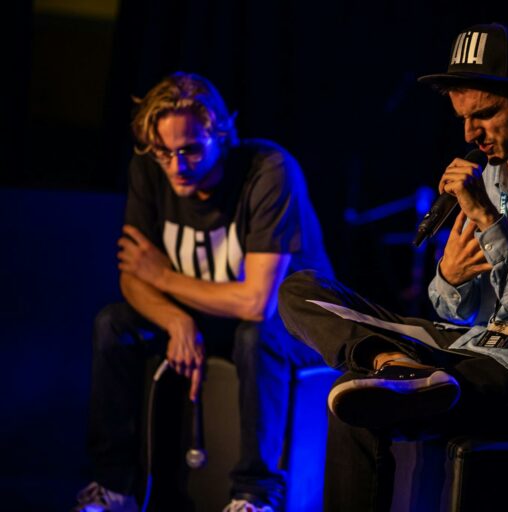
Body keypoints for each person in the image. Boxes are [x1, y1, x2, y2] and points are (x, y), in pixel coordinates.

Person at [277, 22, 508, 511]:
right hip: (477, 348)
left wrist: (489, 220)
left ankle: (403, 377)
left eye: (486, 115)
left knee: (354, 399)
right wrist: (448, 276)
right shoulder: (489, 174)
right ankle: (394, 364)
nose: (471, 134)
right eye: (463, 118)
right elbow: (458, 309)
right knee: (301, 289)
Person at [73, 72, 333, 512]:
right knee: (113, 325)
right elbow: (132, 277)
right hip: (208, 315)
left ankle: (254, 495)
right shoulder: (149, 170)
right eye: (163, 151)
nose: (176, 166)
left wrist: (165, 278)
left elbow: (257, 301)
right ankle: (115, 487)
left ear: (220, 135)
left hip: (297, 325)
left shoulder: (267, 171)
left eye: (190, 149)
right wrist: (176, 319)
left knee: (257, 335)